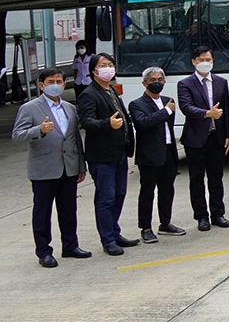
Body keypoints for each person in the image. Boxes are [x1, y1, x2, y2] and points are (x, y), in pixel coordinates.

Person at [13, 69, 91, 267]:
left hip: (69, 167)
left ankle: (70, 245)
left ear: (64, 84)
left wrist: (81, 165)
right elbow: (17, 135)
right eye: (50, 81)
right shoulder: (30, 108)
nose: (55, 84)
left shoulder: (69, 108)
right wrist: (38, 130)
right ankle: (44, 251)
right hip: (44, 169)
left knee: (68, 210)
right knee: (43, 212)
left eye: (59, 81)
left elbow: (74, 139)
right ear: (41, 85)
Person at [78, 52, 138, 254]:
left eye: (111, 64)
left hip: (119, 152)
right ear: (94, 70)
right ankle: (107, 239)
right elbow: (87, 121)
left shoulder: (111, 90)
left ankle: (114, 231)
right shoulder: (89, 94)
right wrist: (107, 124)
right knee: (106, 198)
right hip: (102, 156)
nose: (108, 68)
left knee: (119, 194)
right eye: (104, 65)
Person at [177, 46, 229, 231]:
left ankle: (218, 213)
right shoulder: (185, 83)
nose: (205, 63)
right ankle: (201, 216)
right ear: (194, 61)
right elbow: (186, 107)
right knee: (197, 179)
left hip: (217, 137)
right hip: (195, 139)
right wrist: (207, 113)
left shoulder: (221, 82)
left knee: (216, 178)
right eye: (201, 59)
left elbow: (226, 111)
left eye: (208, 59)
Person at [129, 67, 186, 243]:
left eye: (160, 80)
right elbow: (143, 124)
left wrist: (167, 110)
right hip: (149, 156)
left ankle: (165, 223)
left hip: (168, 152)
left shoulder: (168, 101)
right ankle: (145, 227)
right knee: (147, 192)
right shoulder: (137, 104)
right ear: (144, 83)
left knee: (167, 190)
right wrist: (166, 111)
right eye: (153, 80)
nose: (157, 82)